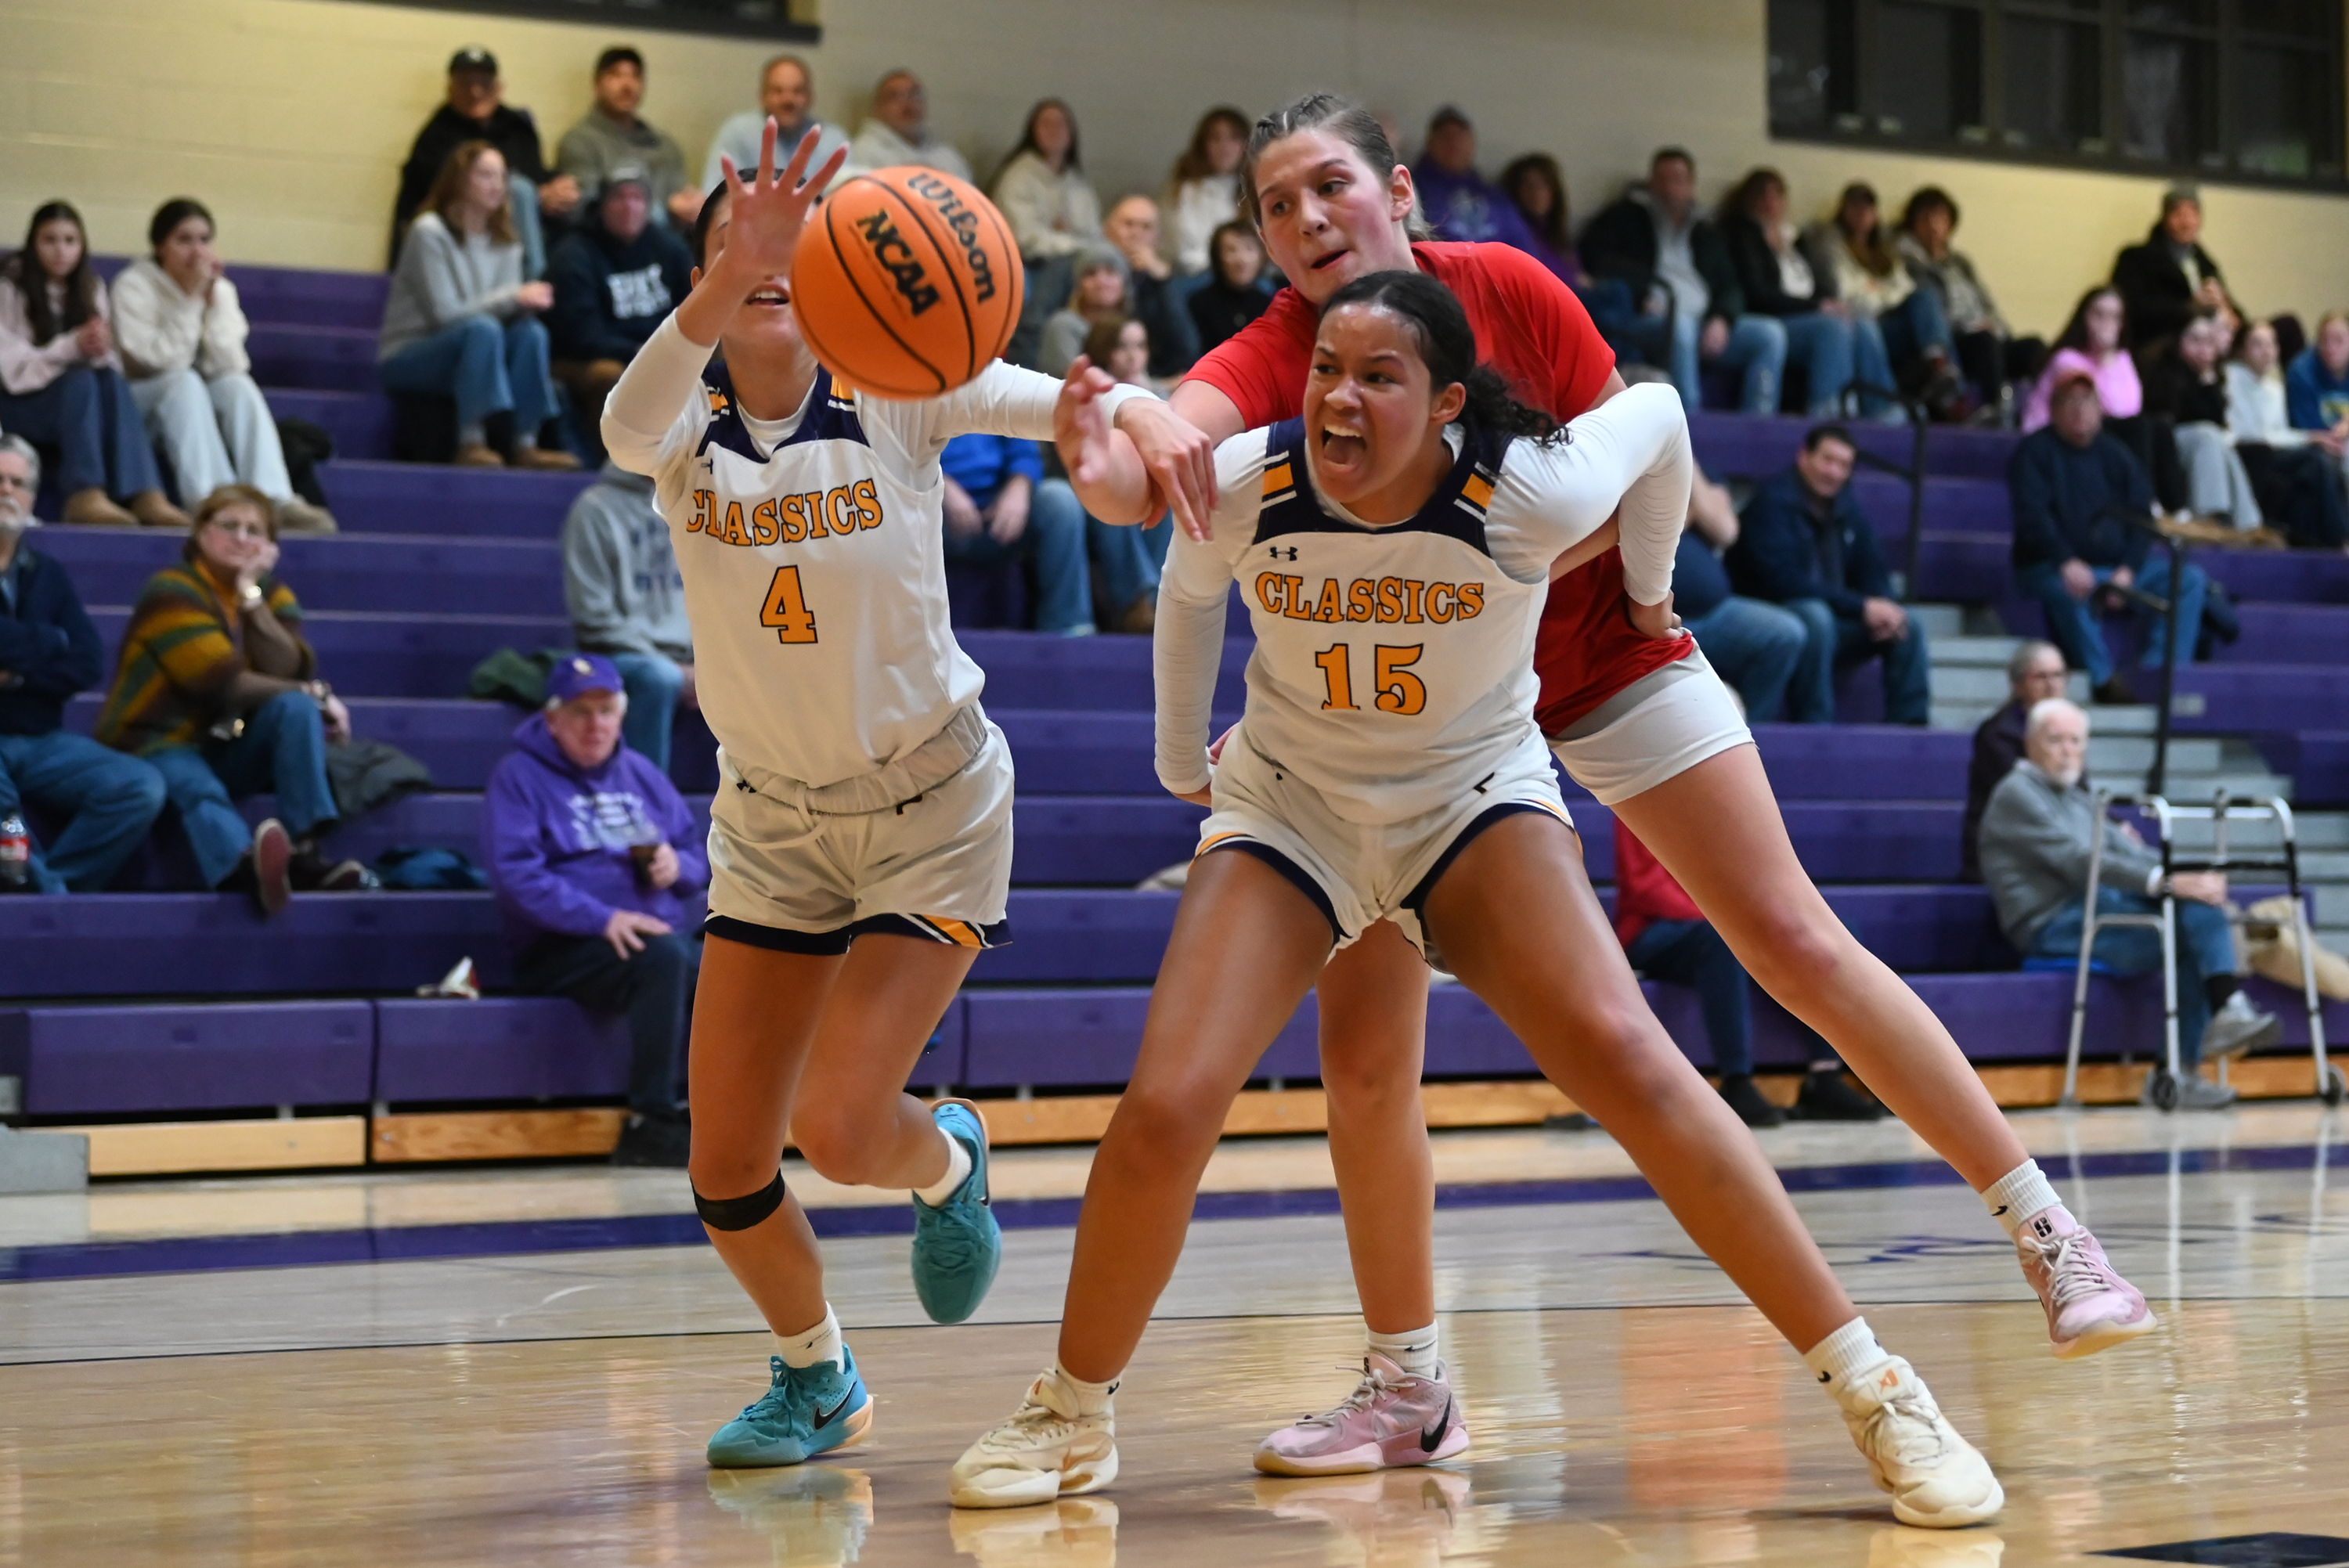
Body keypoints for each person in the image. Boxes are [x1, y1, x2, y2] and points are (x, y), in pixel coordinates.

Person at [1108, 94, 2152, 1465]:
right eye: (1274, 205)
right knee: (1364, 1062)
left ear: (1402, 193)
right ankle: (1408, 1386)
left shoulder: (1512, 291)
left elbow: (1650, 438)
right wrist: (1122, 412)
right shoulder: (1278, 352)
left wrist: (1653, 596)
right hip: (1428, 735)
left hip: (1600, 664)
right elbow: (1152, 475)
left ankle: (2045, 1224)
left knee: (1790, 935)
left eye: (1330, 187)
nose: (1305, 220)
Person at [951, 271, 2002, 1527]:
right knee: (1168, 1103)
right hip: (1297, 810)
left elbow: (1661, 415)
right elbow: (1186, 586)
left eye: (1378, 376)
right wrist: (1186, 763)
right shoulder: (1254, 477)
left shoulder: (1529, 488)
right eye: (1325, 367)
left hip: (1472, 805)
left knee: (1636, 1062)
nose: (1339, 394)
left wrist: (1653, 593)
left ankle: (1878, 1387)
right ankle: (1071, 1407)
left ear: (1447, 402)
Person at [598, 127, 1162, 1472]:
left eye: (789, 252)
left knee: (845, 1128)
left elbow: (1050, 401)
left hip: (932, 800)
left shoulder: (894, 390)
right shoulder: (682, 423)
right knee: (726, 1164)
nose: (768, 268)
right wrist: (723, 272)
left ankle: (947, 1158)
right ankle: (817, 1374)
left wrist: (1117, 411)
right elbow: (623, 426)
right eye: (739, 255)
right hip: (773, 820)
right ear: (704, 282)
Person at [1979, 697, 2279, 1108]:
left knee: (2198, 909)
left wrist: (2192, 877)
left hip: (2102, 907)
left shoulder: (2077, 797)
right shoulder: (2017, 795)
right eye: (2057, 741)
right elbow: (2079, 862)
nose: (2069, 751)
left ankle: (2211, 1031)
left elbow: (2131, 855)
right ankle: (2213, 1023)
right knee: (2188, 931)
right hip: (2052, 922)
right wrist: (2167, 880)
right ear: (2030, 743)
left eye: (2076, 741)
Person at [92, 485, 364, 914]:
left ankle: (305, 853)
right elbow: (220, 682)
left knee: (294, 708)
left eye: (255, 530)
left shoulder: (270, 593)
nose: (241, 538)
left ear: (270, 545)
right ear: (201, 533)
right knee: (196, 784)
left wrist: (251, 598)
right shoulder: (171, 589)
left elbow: (289, 669)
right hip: (153, 740)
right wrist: (315, 695)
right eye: (229, 526)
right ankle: (244, 867)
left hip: (223, 743)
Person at [485, 652, 705, 1166]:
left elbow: (697, 851)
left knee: (730, 961)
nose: (596, 724)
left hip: (656, 935)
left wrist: (681, 867)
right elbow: (517, 874)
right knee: (666, 958)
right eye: (582, 711)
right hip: (563, 946)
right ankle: (650, 1119)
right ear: (552, 718)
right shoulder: (518, 777)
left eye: (606, 710)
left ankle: (715, 1113)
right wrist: (602, 918)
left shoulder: (642, 774)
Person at [1615, 818, 1878, 1126]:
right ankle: (1736, 1081)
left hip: (1728, 922)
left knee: (1835, 934)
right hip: (1657, 928)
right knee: (1721, 941)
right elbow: (1646, 888)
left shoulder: (1722, 804)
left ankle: (1825, 1075)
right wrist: (1736, 921)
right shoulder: (1636, 800)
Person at [0, 435, 166, 892]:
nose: (7, 491)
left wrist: (12, 675)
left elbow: (87, 661)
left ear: (33, 497)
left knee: (139, 786)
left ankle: (53, 890)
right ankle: (48, 896)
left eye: (18, 482)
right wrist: (49, 641)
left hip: (41, 739)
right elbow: (61, 647)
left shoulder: (46, 572)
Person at [112, 199, 336, 532]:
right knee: (182, 381)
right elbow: (157, 363)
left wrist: (212, 303)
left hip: (193, 404)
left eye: (204, 240)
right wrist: (190, 303)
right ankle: (212, 500)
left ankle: (274, 498)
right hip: (140, 406)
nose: (197, 251)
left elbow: (230, 364)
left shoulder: (219, 290)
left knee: (237, 386)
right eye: (184, 240)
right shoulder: (134, 286)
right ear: (160, 247)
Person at [2010, 373, 2208, 704]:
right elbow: (2033, 519)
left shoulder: (2116, 454)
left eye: (2087, 403)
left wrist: (2129, 569)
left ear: (2101, 409)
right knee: (2066, 589)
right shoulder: (2033, 453)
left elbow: (2141, 515)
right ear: (2054, 410)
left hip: (2115, 567)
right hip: (2052, 566)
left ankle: (2160, 674)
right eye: (2070, 403)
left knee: (2188, 580)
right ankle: (2103, 680)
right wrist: (2065, 561)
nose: (2080, 411)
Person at [379, 142, 578, 470]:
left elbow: (503, 313)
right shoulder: (430, 232)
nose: (497, 185)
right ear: (459, 181)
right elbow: (444, 316)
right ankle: (470, 441)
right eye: (485, 175)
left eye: (501, 177)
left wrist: (525, 307)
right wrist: (512, 298)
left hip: (480, 346)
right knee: (481, 329)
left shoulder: (507, 240)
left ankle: (526, 444)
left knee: (531, 332)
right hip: (412, 352)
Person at [0, 201, 188, 528]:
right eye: (50, 240)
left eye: (70, 241)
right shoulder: (9, 287)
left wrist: (98, 347)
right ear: (33, 243)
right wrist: (71, 346)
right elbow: (11, 366)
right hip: (17, 403)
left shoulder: (90, 287)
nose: (61, 251)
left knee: (110, 380)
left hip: (71, 400)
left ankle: (146, 494)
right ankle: (83, 493)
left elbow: (108, 363)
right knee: (82, 381)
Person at [1730, 424, 1929, 726]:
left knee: (1908, 623)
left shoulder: (1848, 508)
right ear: (1804, 456)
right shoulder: (1771, 504)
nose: (1835, 472)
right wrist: (1861, 607)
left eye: (1844, 465)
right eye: (1828, 460)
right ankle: (1816, 724)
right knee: (1816, 616)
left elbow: (1873, 570)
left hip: (1836, 616)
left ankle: (1912, 728)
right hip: (1778, 614)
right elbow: (1782, 582)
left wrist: (1883, 606)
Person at [1579, 148, 1781, 413]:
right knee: (1681, 327)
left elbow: (1731, 285)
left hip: (1703, 322)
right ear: (1650, 183)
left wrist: (1722, 318)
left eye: (1678, 179)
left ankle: (1759, 424)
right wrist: (1641, 294)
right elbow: (1598, 260)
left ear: (1691, 185)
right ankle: (1689, 420)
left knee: (1769, 334)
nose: (1669, 188)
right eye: (1662, 179)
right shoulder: (1625, 217)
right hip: (1649, 320)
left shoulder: (1705, 230)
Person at [1717, 168, 1892, 420]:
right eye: (1762, 196)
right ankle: (1828, 413)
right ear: (1748, 200)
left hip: (1807, 313)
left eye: (1777, 196)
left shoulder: (1794, 238)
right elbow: (1758, 294)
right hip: (1773, 317)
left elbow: (1818, 283)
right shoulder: (1742, 235)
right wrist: (1817, 307)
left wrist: (1830, 302)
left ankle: (1884, 411)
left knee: (1861, 325)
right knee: (1832, 329)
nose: (1770, 203)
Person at [392, 46, 579, 276]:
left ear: (499, 88)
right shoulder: (435, 138)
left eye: (484, 84)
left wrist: (557, 190)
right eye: (466, 84)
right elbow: (445, 196)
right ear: (450, 89)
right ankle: (534, 278)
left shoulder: (518, 128)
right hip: (464, 238)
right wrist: (532, 195)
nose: (475, 92)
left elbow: (535, 174)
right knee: (520, 191)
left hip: (518, 230)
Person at [561, 461, 694, 773]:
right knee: (660, 678)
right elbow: (593, 617)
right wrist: (681, 671)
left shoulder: (698, 500)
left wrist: (710, 665)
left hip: (693, 659)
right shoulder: (594, 508)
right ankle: (645, 801)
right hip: (620, 657)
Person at [546, 167, 695, 421]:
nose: (629, 207)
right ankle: (614, 457)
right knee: (609, 375)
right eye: (619, 198)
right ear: (602, 205)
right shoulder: (574, 254)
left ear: (649, 207)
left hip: (658, 350)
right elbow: (580, 335)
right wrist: (639, 352)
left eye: (637, 198)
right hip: (590, 358)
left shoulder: (668, 247)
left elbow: (695, 304)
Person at [1810, 182, 1961, 419]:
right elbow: (1846, 293)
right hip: (1866, 321)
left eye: (1868, 208)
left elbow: (1904, 288)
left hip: (1890, 319)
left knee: (1925, 297)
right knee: (1867, 324)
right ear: (1843, 211)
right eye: (1855, 207)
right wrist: (1882, 293)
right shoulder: (1831, 246)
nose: (1862, 214)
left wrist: (1877, 291)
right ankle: (1888, 405)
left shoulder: (1885, 250)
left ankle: (1940, 367)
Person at [2022, 287, 2181, 510]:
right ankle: (2140, 504)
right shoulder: (2066, 359)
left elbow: (2130, 406)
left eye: (2115, 317)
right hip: (2056, 436)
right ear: (2084, 319)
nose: (2106, 324)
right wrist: (2104, 359)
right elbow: (2099, 407)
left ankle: (2178, 509)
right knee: (2137, 429)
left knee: (2160, 428)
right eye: (2098, 315)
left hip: (2096, 431)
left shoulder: (2122, 360)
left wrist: (2110, 360)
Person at [1672, 469, 1806, 722]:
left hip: (1714, 611)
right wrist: (1689, 511)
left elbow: (1726, 531)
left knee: (1784, 633)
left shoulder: (1694, 468)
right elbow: (1636, 527)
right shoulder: (1622, 462)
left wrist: (1686, 458)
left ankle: (1752, 741)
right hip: (1649, 617)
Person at [1896, 186, 2042, 416]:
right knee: (1984, 341)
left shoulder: (1961, 263)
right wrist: (1973, 328)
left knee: (2034, 347)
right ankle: (1992, 409)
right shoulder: (1910, 261)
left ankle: (2040, 413)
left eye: (1941, 218)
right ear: (1914, 224)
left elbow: (1986, 302)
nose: (1934, 226)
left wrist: (2000, 329)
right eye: (1926, 218)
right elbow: (1928, 309)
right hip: (1956, 339)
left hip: (1985, 333)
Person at [940, 429, 1094, 635]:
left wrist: (1018, 487)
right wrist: (939, 485)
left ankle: (1067, 630)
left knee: (1060, 501)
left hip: (998, 509)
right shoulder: (902, 399)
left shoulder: (993, 395)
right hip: (931, 512)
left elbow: (1025, 452)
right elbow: (894, 457)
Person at [1078, 314, 1174, 629]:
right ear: (1105, 351)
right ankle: (1139, 601)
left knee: (1171, 488)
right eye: (1123, 347)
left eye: (1140, 346)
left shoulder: (1162, 394)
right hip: (1088, 484)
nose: (1134, 356)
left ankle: (1161, 600)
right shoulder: (1086, 393)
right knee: (1113, 491)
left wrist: (1153, 397)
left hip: (1148, 481)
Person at [2228, 318, 2349, 550]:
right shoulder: (2231, 379)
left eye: (2272, 345)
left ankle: (2318, 543)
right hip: (2248, 453)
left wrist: (2308, 438)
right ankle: (2342, 539)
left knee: (2312, 474)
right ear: (2242, 350)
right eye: (2258, 344)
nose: (2267, 352)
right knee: (2316, 461)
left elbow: (2278, 432)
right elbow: (2246, 433)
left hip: (2274, 451)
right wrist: (2309, 437)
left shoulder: (2274, 388)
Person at [555, 48, 697, 232]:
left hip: (667, 246)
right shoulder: (580, 142)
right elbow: (588, 208)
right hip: (605, 247)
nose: (627, 84)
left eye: (635, 76)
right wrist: (666, 210)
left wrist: (693, 207)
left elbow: (682, 194)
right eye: (616, 75)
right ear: (597, 86)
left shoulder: (664, 145)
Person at [1961, 640, 2068, 884]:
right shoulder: (1998, 734)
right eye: (2041, 677)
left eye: (2058, 675)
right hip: (2007, 853)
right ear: (2018, 685)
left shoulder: (2066, 730)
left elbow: (2079, 796)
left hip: (2048, 845)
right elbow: (2028, 802)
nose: (2052, 686)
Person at [2142, 312, 2261, 528]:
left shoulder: (2212, 376)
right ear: (2179, 341)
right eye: (2195, 340)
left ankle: (2248, 523)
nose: (2203, 348)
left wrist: (2208, 381)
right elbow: (2177, 413)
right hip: (2168, 443)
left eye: (2208, 341)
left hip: (2203, 441)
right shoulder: (2163, 369)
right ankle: (2209, 514)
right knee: (2208, 436)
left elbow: (2218, 419)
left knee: (2222, 443)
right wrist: (2204, 384)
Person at [2111, 188, 2238, 353]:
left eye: (2193, 215)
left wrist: (2224, 306)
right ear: (2165, 219)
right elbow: (2134, 310)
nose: (2187, 223)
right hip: (2160, 350)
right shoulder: (2137, 260)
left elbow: (2236, 319)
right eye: (2179, 215)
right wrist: (2189, 307)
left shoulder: (2206, 265)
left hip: (2208, 352)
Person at [702, 56, 850, 193]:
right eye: (778, 91)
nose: (788, 100)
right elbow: (714, 194)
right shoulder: (738, 132)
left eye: (797, 91)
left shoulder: (833, 139)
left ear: (810, 97)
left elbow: (847, 195)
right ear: (762, 97)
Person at [992, 100, 1102, 265]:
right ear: (1033, 132)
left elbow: (1093, 235)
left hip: (1078, 262)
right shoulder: (1018, 178)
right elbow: (1025, 239)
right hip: (1031, 265)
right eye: (1046, 124)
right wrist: (1069, 242)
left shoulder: (1079, 185)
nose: (1054, 130)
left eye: (1061, 124)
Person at [1410, 106, 1534, 251]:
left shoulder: (1495, 198)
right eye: (1445, 137)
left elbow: (1524, 248)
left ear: (1472, 142)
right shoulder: (1414, 191)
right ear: (1430, 143)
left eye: (1460, 136)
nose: (1453, 144)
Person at [1099, 196, 1199, 376]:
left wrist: (1163, 280)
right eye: (1128, 224)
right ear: (1107, 230)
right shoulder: (1082, 269)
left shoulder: (1164, 282)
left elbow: (1186, 349)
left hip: (1153, 380)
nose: (1136, 233)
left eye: (1146, 227)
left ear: (1158, 239)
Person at [1164, 107, 1250, 278]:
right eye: (1215, 138)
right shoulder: (1187, 191)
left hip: (1248, 277)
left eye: (1233, 138)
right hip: (1200, 275)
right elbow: (1185, 250)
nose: (1224, 146)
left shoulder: (1256, 191)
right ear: (1203, 145)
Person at [846, 70, 972, 182]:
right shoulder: (863, 152)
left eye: (915, 94)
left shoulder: (948, 156)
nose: (908, 104)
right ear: (878, 109)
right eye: (895, 96)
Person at [1037, 247, 1133, 377]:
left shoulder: (1130, 330)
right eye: (1090, 274)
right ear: (1079, 286)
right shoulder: (1063, 325)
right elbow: (1075, 380)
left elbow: (1139, 380)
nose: (1101, 282)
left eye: (1110, 272)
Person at [2286, 309, 2349, 499]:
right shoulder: (2301, 371)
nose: (2331, 348)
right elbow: (2307, 429)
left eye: (2339, 340)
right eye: (2324, 340)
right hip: (2316, 443)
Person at [1185, 222, 1273, 354]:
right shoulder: (1199, 303)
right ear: (1218, 257)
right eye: (1231, 250)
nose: (1241, 259)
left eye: (1249, 249)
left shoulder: (1268, 303)